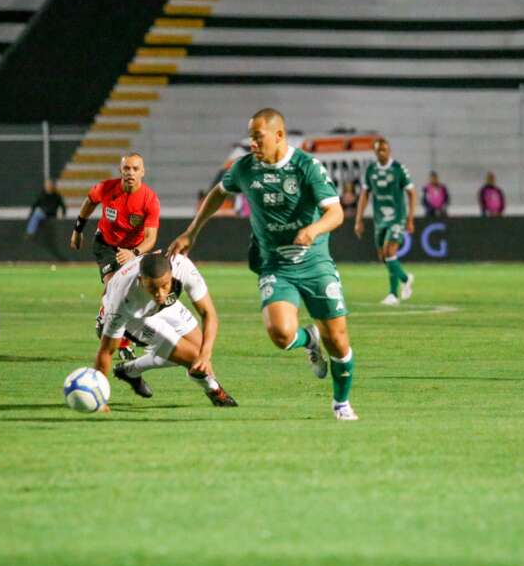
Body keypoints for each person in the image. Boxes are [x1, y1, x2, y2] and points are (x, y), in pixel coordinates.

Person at [169, 107, 359, 421]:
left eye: (258, 137)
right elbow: (219, 193)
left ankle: (341, 403)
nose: (252, 144)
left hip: (314, 264)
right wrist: (192, 232)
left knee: (338, 340)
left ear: (279, 135)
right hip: (274, 264)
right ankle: (307, 339)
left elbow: (336, 213)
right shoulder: (245, 169)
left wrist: (312, 230)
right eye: (250, 138)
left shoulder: (306, 167)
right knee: (281, 335)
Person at [95, 252, 237, 409]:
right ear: (140, 280)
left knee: (201, 349)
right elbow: (106, 351)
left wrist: (206, 353)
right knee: (193, 357)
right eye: (153, 288)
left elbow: (208, 313)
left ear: (171, 275)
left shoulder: (182, 266)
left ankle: (130, 370)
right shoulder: (123, 300)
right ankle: (215, 391)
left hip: (166, 307)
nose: (160, 294)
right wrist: (99, 398)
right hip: (136, 318)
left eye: (164, 286)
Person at [70, 153, 160, 284]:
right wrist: (77, 230)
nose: (130, 173)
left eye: (135, 169)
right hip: (106, 245)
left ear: (142, 172)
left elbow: (150, 238)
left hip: (134, 249)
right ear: (120, 170)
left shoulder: (150, 200)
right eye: (126, 168)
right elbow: (90, 202)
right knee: (113, 286)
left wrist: (134, 253)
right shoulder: (105, 188)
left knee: (135, 289)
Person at [354, 137, 416, 306]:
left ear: (389, 151)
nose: (382, 153)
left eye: (384, 150)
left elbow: (411, 193)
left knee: (390, 251)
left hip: (397, 217)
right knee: (383, 257)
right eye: (378, 150)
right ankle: (405, 278)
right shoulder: (371, 170)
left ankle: (393, 294)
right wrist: (358, 220)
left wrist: (410, 219)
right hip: (380, 219)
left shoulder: (398, 169)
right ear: (374, 152)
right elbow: (365, 195)